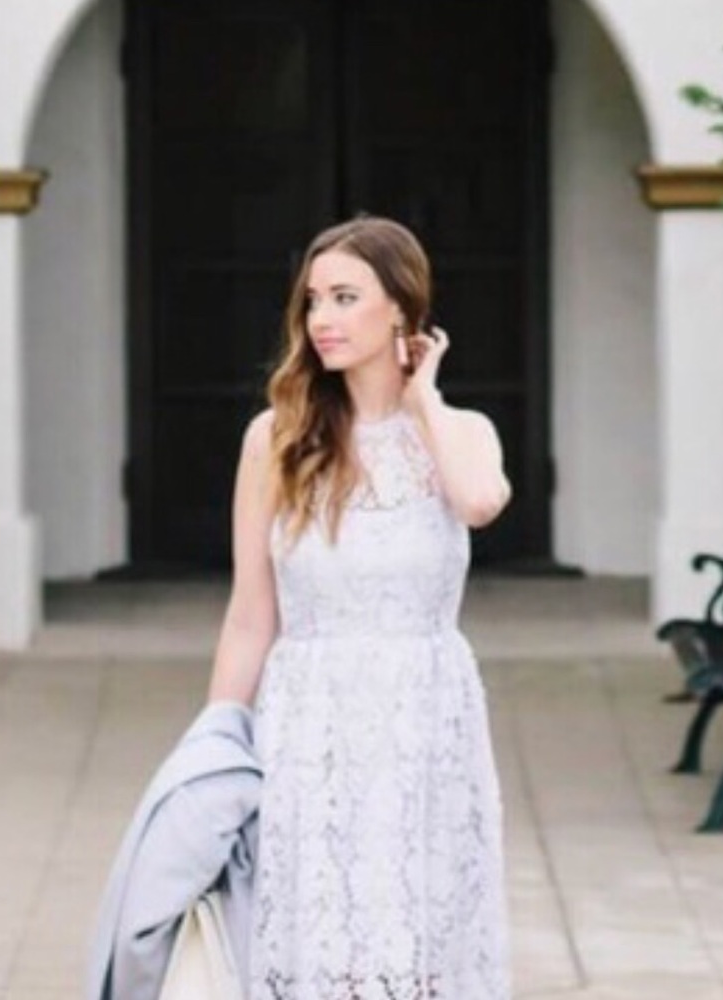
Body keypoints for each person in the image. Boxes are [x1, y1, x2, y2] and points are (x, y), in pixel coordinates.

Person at [208, 215, 512, 999]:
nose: (323, 321)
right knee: (319, 937)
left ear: (402, 312)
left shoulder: (462, 432)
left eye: (347, 297)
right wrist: (214, 748)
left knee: (420, 936)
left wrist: (425, 402)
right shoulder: (273, 438)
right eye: (314, 301)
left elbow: (479, 501)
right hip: (310, 723)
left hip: (426, 723)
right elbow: (250, 612)